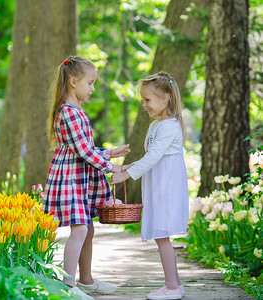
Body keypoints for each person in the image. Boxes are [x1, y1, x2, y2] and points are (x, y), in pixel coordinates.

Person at [42, 56, 131, 300]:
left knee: (88, 229)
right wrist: (111, 167)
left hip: (79, 177)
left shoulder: (75, 111)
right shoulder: (68, 112)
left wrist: (111, 152)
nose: (92, 88)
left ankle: (86, 281)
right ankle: (67, 287)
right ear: (73, 82)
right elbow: (82, 151)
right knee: (80, 229)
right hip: (70, 179)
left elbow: (84, 148)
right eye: (90, 83)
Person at [111, 72, 189, 300]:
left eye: (148, 100)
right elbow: (151, 155)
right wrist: (127, 167)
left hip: (166, 187)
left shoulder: (170, 126)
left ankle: (172, 286)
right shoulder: (157, 125)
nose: (144, 104)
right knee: (160, 234)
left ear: (165, 99)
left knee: (162, 233)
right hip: (157, 184)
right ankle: (176, 284)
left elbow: (154, 157)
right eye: (143, 100)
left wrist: (127, 176)